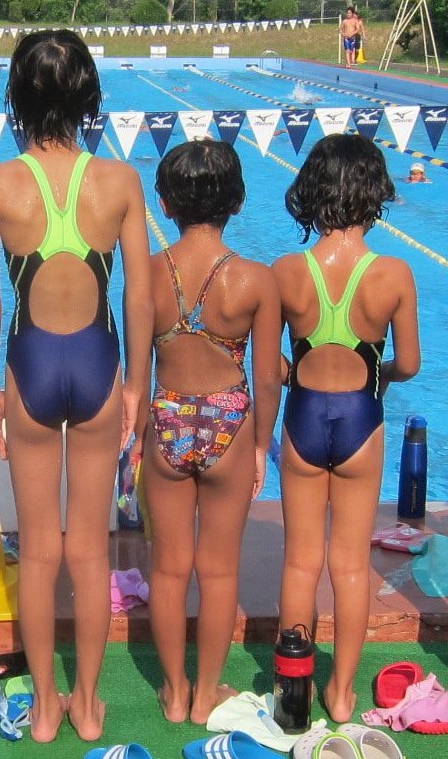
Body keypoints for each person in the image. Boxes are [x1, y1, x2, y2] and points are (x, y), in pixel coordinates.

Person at [0, 29, 152, 742]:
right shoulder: (121, 181)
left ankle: (44, 706)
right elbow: (138, 296)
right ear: (88, 97)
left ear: (16, 95)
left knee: (40, 551)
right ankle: (87, 704)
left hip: (31, 368)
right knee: (90, 551)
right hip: (100, 366)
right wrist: (137, 384)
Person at [275, 133, 420, 723]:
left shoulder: (287, 271)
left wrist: (294, 371)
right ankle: (340, 694)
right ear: (375, 194)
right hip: (362, 418)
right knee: (352, 565)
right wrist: (377, 373)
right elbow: (410, 364)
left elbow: (269, 365)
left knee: (299, 563)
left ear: (311, 192)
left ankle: (293, 694)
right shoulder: (394, 273)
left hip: (304, 418)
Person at [138, 140, 282, 724]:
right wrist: (261, 446)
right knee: (219, 571)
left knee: (169, 568)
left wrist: (136, 440)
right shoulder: (256, 280)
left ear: (165, 204)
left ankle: (173, 692)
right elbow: (267, 377)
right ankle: (204, 696)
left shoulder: (147, 274)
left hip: (167, 416)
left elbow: (136, 366)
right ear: (239, 202)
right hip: (230, 422)